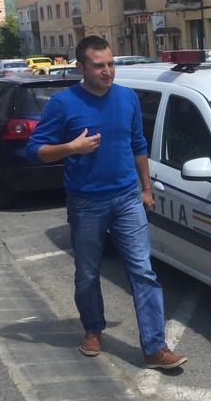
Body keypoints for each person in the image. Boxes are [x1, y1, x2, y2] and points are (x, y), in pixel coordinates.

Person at [26, 35, 188, 370]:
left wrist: (146, 189)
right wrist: (71, 148)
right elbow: (35, 150)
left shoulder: (126, 98)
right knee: (87, 273)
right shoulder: (63, 104)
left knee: (143, 271)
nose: (107, 71)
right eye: (99, 65)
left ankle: (155, 348)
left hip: (128, 197)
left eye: (111, 64)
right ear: (81, 67)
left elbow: (138, 144)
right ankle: (92, 329)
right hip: (86, 203)